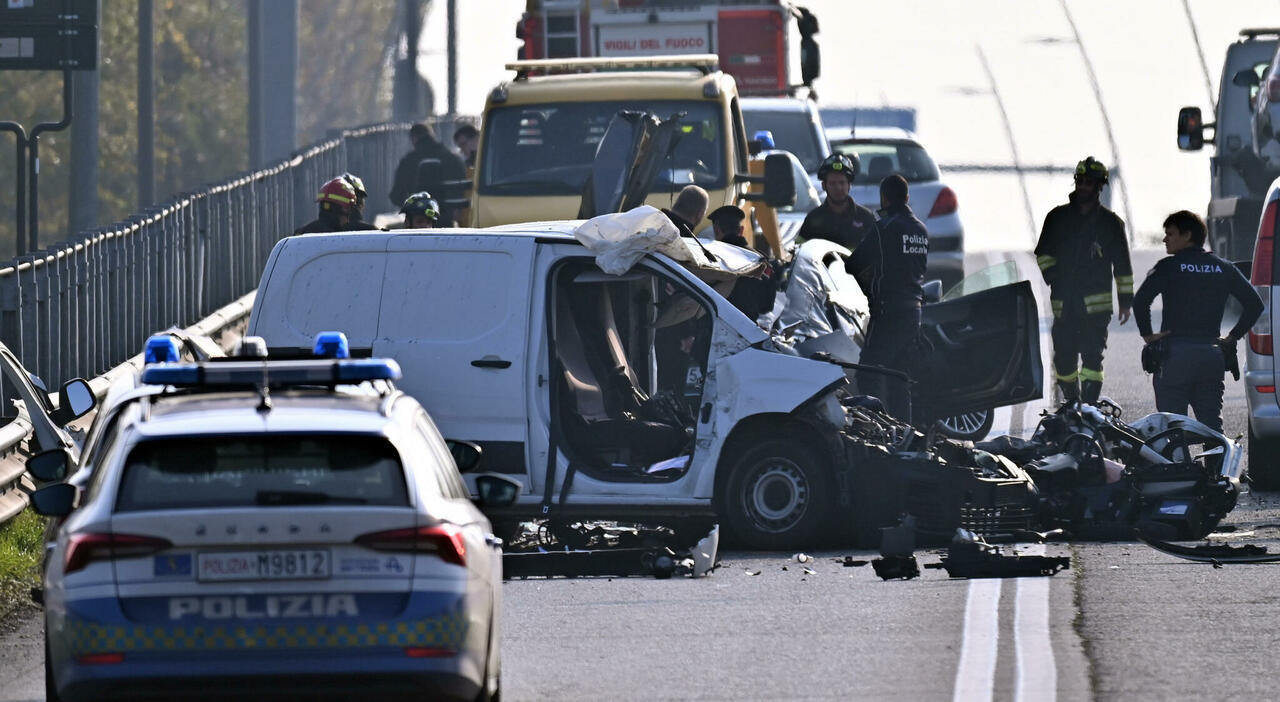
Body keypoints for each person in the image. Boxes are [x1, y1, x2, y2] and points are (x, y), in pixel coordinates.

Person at [1131, 210, 1263, 431]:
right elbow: (1255, 305)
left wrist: (1148, 336)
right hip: (1211, 356)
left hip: (1175, 357)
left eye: (1170, 234)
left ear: (1187, 235)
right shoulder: (1223, 267)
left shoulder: (1168, 266)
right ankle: (1215, 466)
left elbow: (1140, 301)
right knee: (1211, 428)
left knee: (1173, 427)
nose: (1165, 239)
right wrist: (1232, 338)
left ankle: (1178, 465)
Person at [1034, 156, 1134, 404]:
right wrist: (1054, 277)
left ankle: (1088, 409)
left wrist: (1126, 301)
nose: (1083, 187)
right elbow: (1043, 254)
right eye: (1080, 181)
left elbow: (1122, 265)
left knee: (1092, 358)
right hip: (1064, 302)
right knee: (1064, 359)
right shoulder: (1057, 218)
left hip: (1095, 308)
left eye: (1089, 182)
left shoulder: (1111, 224)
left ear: (1100, 186)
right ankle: (1071, 403)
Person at [854, 174, 929, 419]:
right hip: (914, 313)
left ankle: (876, 431)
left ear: (883, 199)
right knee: (900, 378)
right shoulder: (921, 230)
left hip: (887, 311)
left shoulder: (884, 228)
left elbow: (854, 263)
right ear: (907, 198)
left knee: (867, 373)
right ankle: (904, 437)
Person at [708, 204, 778, 321]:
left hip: (719, 325)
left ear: (717, 230)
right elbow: (767, 306)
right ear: (741, 230)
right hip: (748, 330)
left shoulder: (711, 259)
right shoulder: (761, 261)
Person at [797, 153, 879, 252]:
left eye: (842, 182)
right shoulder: (813, 219)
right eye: (832, 183)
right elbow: (799, 254)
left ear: (849, 185)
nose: (838, 188)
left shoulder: (866, 218)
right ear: (824, 186)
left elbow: (878, 254)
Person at [389, 122, 467, 225]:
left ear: (414, 138)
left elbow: (396, 195)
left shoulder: (408, 161)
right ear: (432, 135)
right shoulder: (452, 158)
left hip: (418, 222)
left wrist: (413, 207)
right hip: (446, 220)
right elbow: (464, 189)